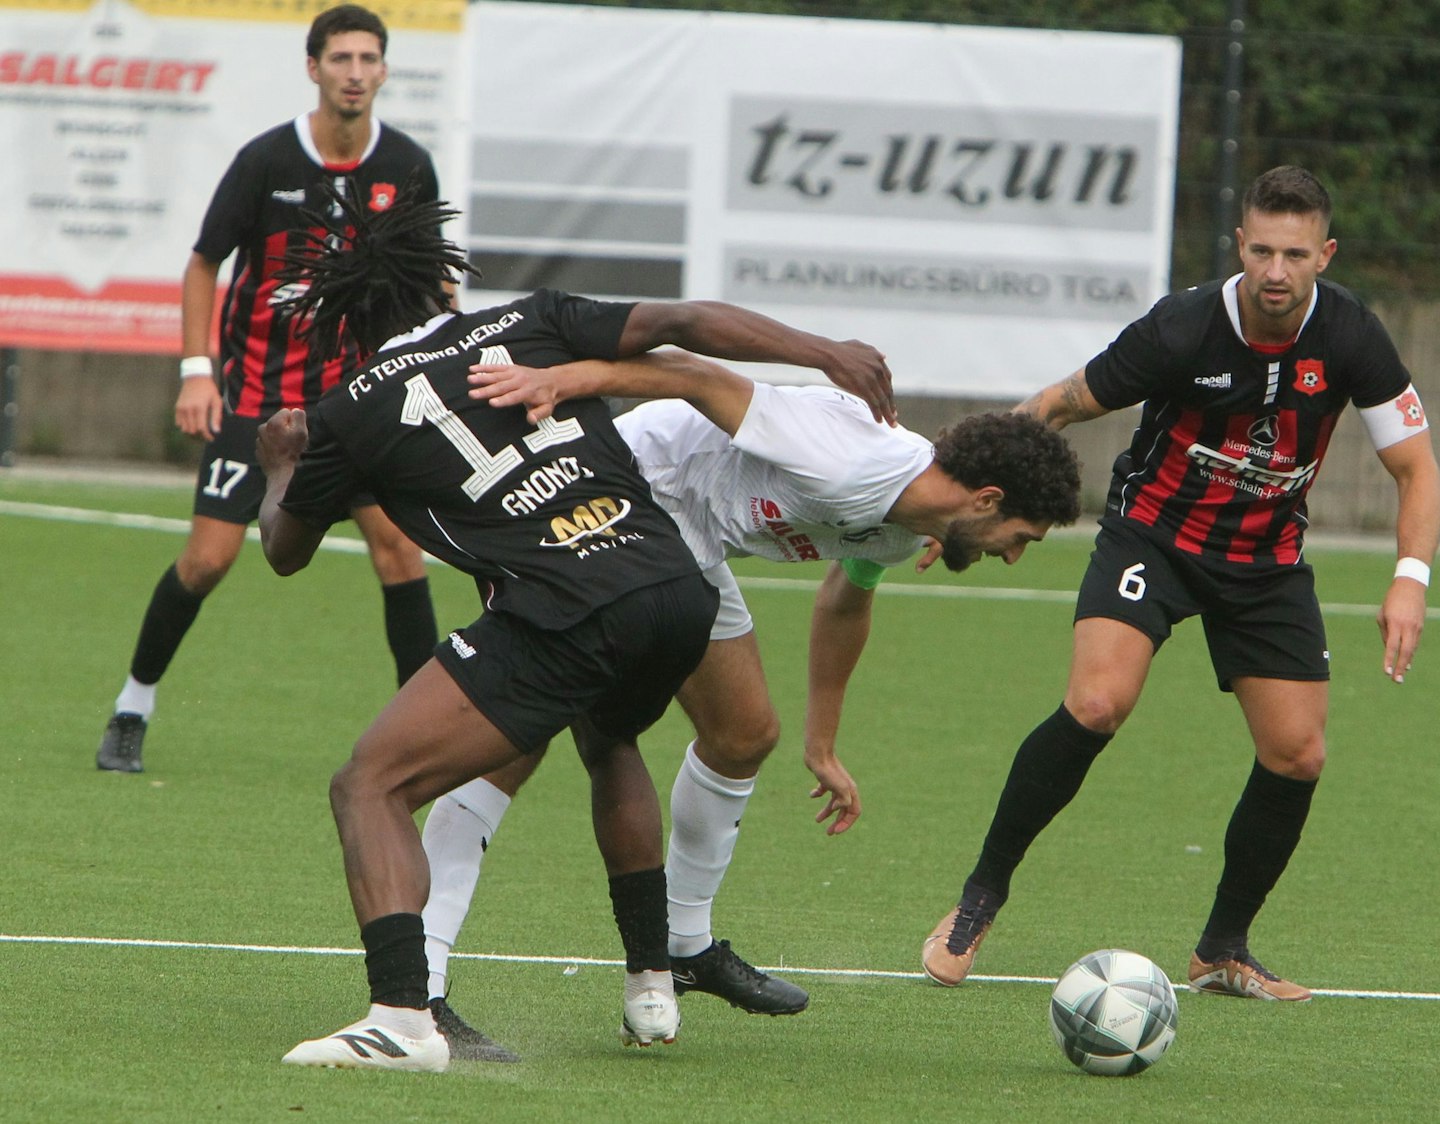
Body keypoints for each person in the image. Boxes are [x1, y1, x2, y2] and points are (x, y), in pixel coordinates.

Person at [252, 183, 896, 1071]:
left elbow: (283, 551)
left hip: (561, 604)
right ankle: (651, 979)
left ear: (349, 328)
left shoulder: (346, 411)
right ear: (443, 287)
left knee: (369, 783)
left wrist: (281, 467)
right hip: (673, 580)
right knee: (610, 738)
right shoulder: (530, 319)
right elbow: (691, 318)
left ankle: (403, 1018)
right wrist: (822, 351)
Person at [414, 353, 1083, 1060]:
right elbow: (691, 375)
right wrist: (563, 382)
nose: (1013, 556)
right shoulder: (848, 460)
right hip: (619, 494)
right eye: (1021, 539)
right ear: (985, 500)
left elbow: (845, 599)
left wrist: (821, 743)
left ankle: (683, 948)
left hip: (688, 539)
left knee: (742, 733)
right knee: (520, 735)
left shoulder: (912, 520)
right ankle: (418, 987)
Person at [920, 165, 1440, 1001]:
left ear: (1324, 255)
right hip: (1153, 539)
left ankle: (1222, 948)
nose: (1276, 271)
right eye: (1263, 250)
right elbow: (1054, 406)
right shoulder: (1179, 328)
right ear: (1240, 244)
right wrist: (947, 498)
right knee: (1096, 703)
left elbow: (1417, 471)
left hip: (1265, 559)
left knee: (1297, 754)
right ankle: (979, 897)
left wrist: (1409, 579)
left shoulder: (1352, 336)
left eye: (1296, 254)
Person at [96, 4, 440, 774]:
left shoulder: (408, 168)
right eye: (340, 58)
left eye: (367, 59)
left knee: (399, 552)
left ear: (384, 71)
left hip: (355, 405)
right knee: (208, 560)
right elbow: (201, 264)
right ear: (313, 68)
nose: (354, 72)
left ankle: (428, 741)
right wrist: (196, 372)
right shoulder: (266, 161)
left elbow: (430, 280)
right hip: (256, 401)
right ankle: (132, 705)